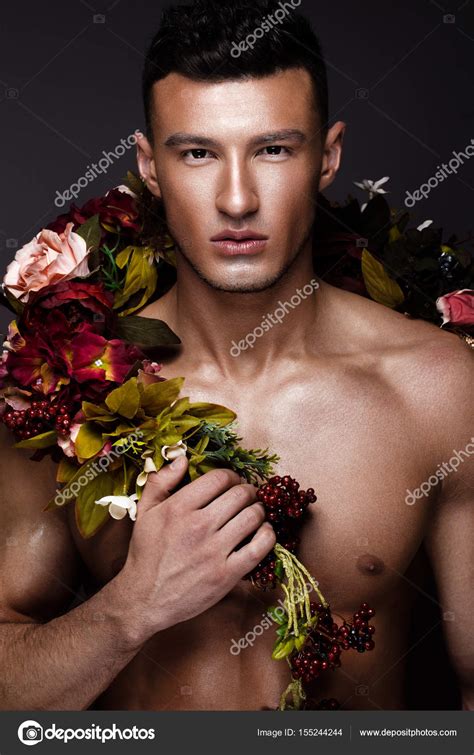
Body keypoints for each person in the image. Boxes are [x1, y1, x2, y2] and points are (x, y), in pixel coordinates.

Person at [0, 0, 472, 712]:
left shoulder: (437, 389)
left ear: (329, 155)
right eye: (197, 153)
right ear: (148, 166)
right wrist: (128, 610)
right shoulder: (66, 391)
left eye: (273, 149)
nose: (238, 198)